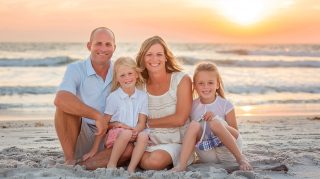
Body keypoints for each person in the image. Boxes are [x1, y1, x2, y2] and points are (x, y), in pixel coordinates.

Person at [54, 27, 132, 169]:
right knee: (64, 108)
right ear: (89, 46)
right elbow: (60, 98)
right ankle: (70, 160)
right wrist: (97, 116)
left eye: (108, 44)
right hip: (80, 135)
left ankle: (83, 166)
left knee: (128, 149)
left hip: (109, 135)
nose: (103, 48)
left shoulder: (120, 72)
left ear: (114, 47)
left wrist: (112, 124)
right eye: (98, 43)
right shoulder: (76, 68)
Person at [171, 62, 252, 172]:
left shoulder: (226, 105)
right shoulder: (191, 106)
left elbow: (234, 132)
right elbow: (188, 132)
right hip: (207, 152)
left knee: (214, 123)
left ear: (217, 84)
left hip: (228, 152)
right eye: (201, 83)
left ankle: (241, 159)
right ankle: (182, 165)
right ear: (194, 86)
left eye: (210, 83)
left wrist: (216, 119)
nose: (206, 87)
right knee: (194, 125)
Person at [82, 57, 149, 173]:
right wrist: (94, 149)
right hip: (116, 136)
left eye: (130, 73)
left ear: (137, 75)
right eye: (122, 75)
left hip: (135, 133)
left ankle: (131, 168)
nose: (127, 78)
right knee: (126, 133)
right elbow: (104, 124)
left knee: (144, 136)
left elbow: (142, 123)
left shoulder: (143, 97)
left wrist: (135, 131)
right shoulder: (114, 97)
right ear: (117, 78)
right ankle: (112, 164)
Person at [135, 36, 193, 170]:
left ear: (166, 57)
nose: (154, 59)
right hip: (145, 141)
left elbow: (180, 119)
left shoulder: (181, 80)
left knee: (153, 162)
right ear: (143, 58)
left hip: (175, 142)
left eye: (159, 54)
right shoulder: (139, 85)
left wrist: (147, 123)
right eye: (149, 54)